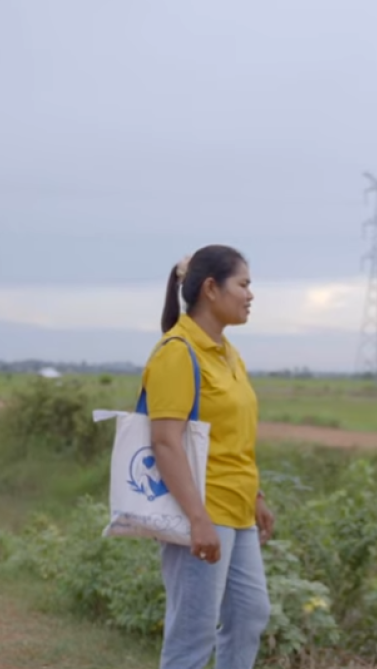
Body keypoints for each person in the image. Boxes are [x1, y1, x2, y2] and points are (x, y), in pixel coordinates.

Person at [142, 244, 275, 669]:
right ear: (212, 289)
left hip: (237, 510)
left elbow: (232, 435)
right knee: (192, 636)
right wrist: (197, 518)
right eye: (244, 284)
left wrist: (256, 495)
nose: (251, 295)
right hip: (201, 510)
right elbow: (165, 442)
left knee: (250, 615)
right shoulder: (178, 352)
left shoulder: (229, 353)